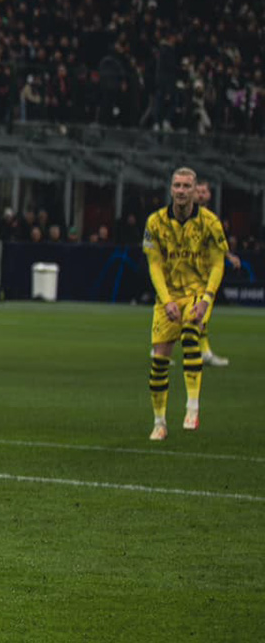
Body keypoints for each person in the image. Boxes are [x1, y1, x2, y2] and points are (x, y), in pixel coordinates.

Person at [143, 167, 226, 439]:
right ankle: (160, 422)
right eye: (177, 185)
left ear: (195, 191)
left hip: (197, 293)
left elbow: (217, 263)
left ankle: (192, 407)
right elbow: (154, 265)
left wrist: (208, 298)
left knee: (191, 334)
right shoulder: (154, 223)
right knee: (159, 362)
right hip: (167, 298)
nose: (181, 191)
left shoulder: (210, 223)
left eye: (186, 186)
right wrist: (166, 300)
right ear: (170, 189)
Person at [192, 178, 237, 368]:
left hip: (205, 271)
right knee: (196, 313)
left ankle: (204, 352)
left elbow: (218, 241)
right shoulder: (185, 214)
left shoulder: (211, 218)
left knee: (200, 313)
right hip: (188, 271)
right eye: (198, 191)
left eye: (204, 191)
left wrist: (229, 256)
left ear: (209, 195)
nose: (201, 194)